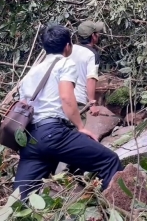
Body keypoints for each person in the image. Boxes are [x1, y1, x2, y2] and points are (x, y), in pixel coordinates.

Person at [14, 24, 122, 198]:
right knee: (109, 160)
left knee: (19, 198)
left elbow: (23, 107)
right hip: (53, 133)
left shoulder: (31, 73)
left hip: (30, 141)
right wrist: (80, 127)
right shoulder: (65, 63)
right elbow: (66, 97)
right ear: (67, 46)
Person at [70, 20, 106, 117]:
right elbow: (91, 79)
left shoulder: (71, 49)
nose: (98, 35)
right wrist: (92, 103)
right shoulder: (92, 55)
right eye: (97, 33)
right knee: (77, 130)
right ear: (93, 36)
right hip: (78, 100)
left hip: (63, 96)